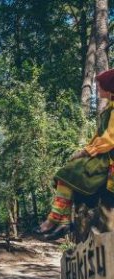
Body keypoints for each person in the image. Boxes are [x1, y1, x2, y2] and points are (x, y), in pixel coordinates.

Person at [36, 69, 114, 240]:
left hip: (108, 159)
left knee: (67, 173)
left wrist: (85, 152)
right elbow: (97, 136)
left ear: (109, 88)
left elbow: (109, 140)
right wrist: (84, 151)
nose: (97, 89)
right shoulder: (108, 108)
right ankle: (61, 219)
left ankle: (56, 219)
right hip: (101, 156)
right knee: (66, 173)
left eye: (100, 86)